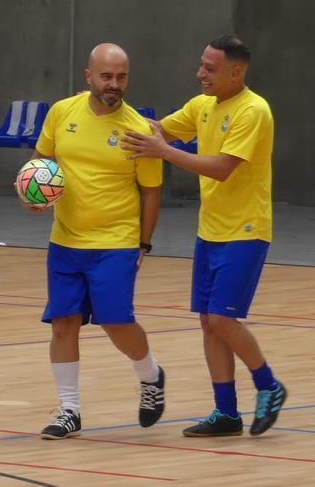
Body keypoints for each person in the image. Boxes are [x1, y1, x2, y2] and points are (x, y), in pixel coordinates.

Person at [122, 35, 287, 437]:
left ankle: (269, 385)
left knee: (222, 317)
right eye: (201, 64)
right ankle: (226, 413)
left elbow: (220, 167)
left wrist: (163, 152)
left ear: (236, 72)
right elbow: (159, 130)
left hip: (246, 230)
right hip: (210, 229)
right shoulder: (203, 106)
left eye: (209, 68)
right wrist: (107, 113)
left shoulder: (253, 110)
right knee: (208, 324)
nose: (200, 74)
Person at [24, 43, 166, 440]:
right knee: (63, 324)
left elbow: (151, 191)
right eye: (107, 76)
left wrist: (144, 244)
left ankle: (151, 376)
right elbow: (41, 164)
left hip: (115, 242)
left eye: (121, 77)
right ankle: (70, 410)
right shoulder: (62, 112)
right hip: (65, 241)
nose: (114, 84)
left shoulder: (140, 130)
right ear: (89, 76)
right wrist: (33, 196)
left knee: (117, 322)